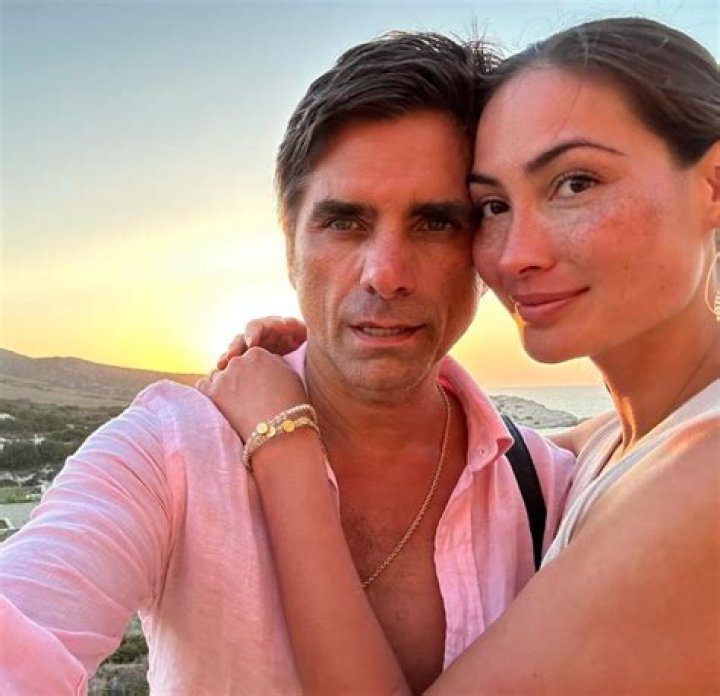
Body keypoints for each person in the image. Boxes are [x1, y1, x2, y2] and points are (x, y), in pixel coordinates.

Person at [0, 33, 575, 693]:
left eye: (436, 223)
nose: (386, 273)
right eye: (345, 222)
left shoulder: (548, 490)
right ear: (289, 239)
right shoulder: (170, 454)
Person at [201, 17, 720, 693]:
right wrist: (331, 359)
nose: (516, 254)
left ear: (713, 185)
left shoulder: (701, 482)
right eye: (493, 206)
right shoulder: (631, 440)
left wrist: (284, 439)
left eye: (575, 183)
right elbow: (522, 446)